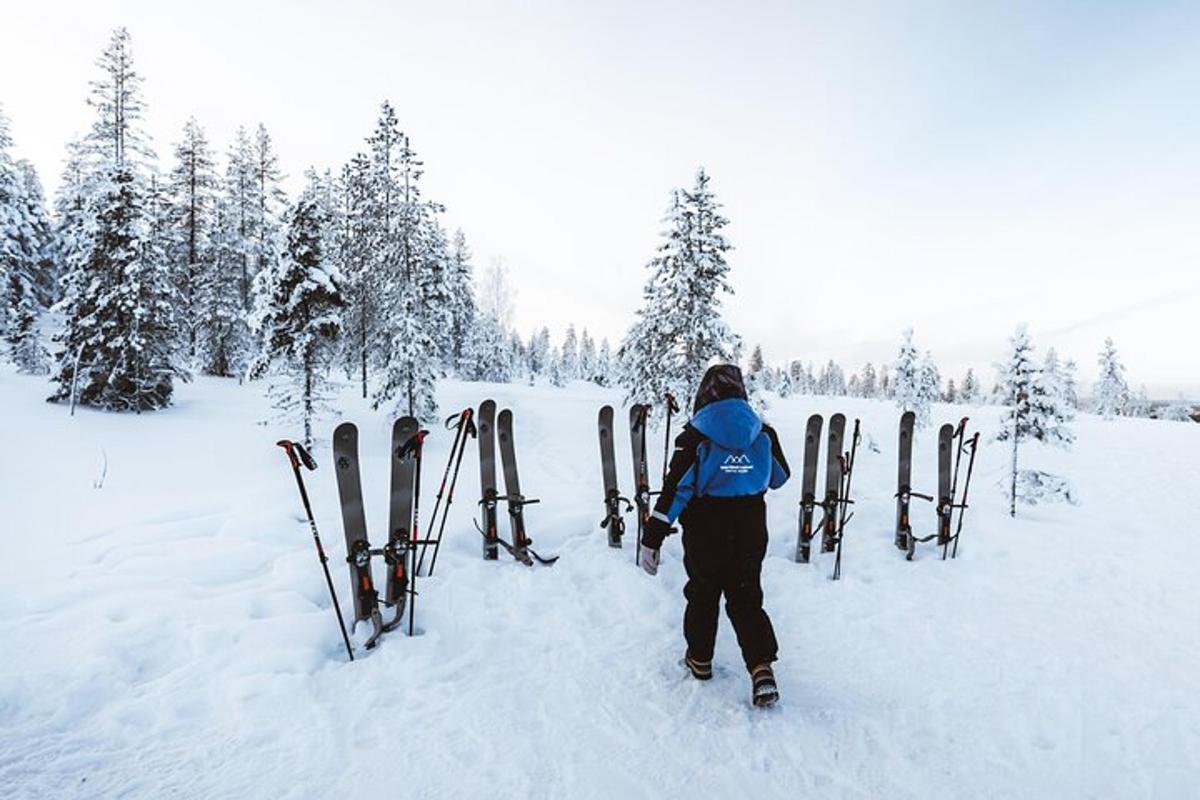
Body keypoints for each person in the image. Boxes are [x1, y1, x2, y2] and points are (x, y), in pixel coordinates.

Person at [639, 364, 790, 708]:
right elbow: (780, 476)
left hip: (706, 528)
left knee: (703, 593)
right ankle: (761, 669)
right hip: (751, 526)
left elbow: (675, 490)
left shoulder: (694, 436)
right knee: (746, 597)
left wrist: (653, 537)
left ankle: (700, 660)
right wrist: (746, 466)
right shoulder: (763, 432)